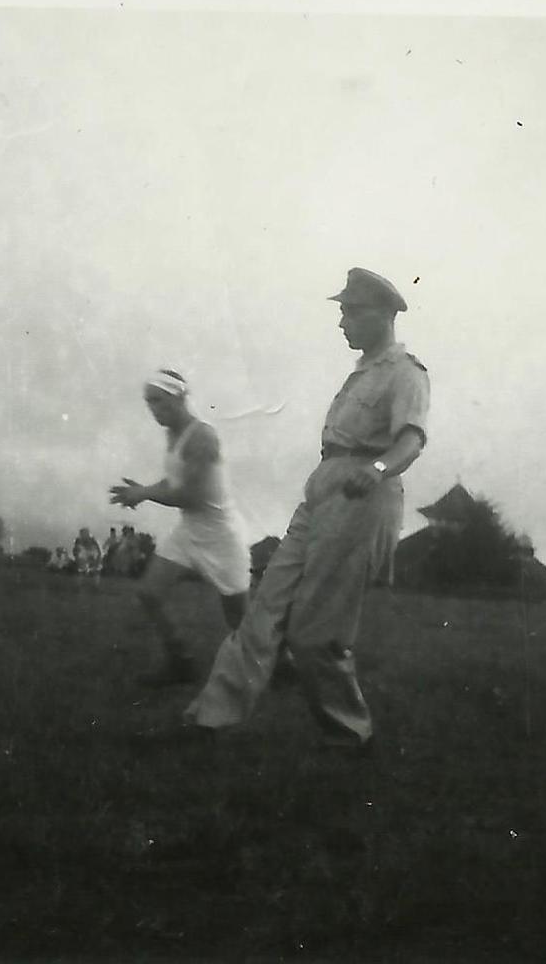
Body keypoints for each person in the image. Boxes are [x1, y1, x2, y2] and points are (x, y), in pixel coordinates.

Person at [170, 268, 430, 752]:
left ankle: (349, 735)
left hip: (363, 495)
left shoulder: (405, 373)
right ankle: (208, 719)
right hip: (325, 487)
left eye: (352, 312)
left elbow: (411, 440)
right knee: (262, 609)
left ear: (384, 314)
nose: (342, 322)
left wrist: (376, 469)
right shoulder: (361, 372)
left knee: (316, 631)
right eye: (342, 312)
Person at [110, 369, 251, 687]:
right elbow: (175, 482)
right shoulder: (173, 435)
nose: (153, 409)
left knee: (240, 619)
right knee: (149, 593)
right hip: (189, 531)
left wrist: (144, 494)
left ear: (178, 397)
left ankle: (282, 665)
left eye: (158, 401)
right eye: (149, 402)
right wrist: (144, 490)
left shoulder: (203, 436)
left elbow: (191, 496)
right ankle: (181, 664)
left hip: (222, 537)